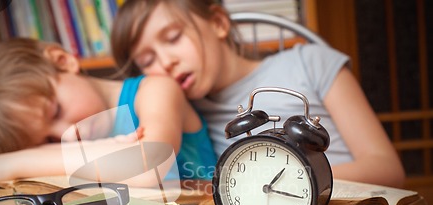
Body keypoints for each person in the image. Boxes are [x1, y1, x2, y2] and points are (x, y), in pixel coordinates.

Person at [110, 0, 405, 188]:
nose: (165, 62)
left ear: (218, 23)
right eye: (147, 61)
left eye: (173, 38)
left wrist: (283, 180)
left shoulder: (310, 63)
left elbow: (386, 169)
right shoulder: (184, 114)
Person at [0, 38, 216, 187]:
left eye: (55, 111)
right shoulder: (76, 141)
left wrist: (7, 164)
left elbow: (150, 164)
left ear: (63, 61)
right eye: (49, 142)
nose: (68, 136)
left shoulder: (155, 90)